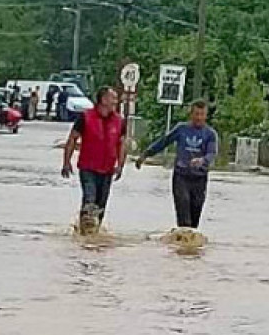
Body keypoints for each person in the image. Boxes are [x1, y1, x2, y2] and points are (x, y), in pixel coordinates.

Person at [136, 100, 219, 229]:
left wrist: (202, 160)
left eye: (202, 114)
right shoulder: (182, 129)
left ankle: (189, 248)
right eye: (196, 114)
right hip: (181, 177)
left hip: (199, 179)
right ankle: (181, 247)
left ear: (206, 115)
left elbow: (212, 153)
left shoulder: (210, 134)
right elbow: (164, 141)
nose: (199, 118)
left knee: (194, 220)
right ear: (191, 114)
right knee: (184, 216)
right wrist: (145, 154)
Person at [61, 86, 127, 234]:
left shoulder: (119, 121)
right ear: (103, 100)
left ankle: (94, 235)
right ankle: (84, 235)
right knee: (90, 201)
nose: (116, 102)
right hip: (88, 168)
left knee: (101, 205)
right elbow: (72, 139)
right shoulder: (85, 117)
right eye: (113, 98)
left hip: (108, 169)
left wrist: (121, 165)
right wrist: (66, 162)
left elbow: (121, 144)